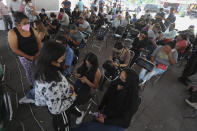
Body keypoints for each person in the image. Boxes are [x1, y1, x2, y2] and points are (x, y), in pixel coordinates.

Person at [71, 68, 141, 131]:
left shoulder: (134, 99)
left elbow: (124, 120)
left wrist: (105, 121)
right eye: (120, 76)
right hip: (107, 113)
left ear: (129, 83)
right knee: (87, 125)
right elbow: (106, 97)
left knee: (87, 128)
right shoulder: (116, 83)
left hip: (116, 124)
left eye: (122, 79)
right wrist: (99, 109)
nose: (119, 79)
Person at [34, 40, 77, 131]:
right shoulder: (51, 85)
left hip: (57, 98)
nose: (64, 58)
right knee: (64, 125)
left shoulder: (45, 65)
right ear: (53, 57)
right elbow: (56, 110)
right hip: (60, 110)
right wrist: (72, 97)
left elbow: (59, 77)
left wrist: (67, 85)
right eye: (62, 56)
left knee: (57, 121)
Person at [8, 12, 41, 93]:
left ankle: (40, 84)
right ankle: (32, 86)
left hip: (36, 54)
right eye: (25, 23)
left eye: (28, 22)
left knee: (39, 69)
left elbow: (38, 42)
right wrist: (28, 57)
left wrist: (39, 52)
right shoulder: (12, 33)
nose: (28, 25)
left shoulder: (31, 29)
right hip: (25, 57)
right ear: (17, 24)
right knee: (30, 71)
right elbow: (15, 49)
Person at [74, 53, 101, 121]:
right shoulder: (84, 63)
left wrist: (86, 81)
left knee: (75, 99)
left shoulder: (97, 72)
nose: (87, 65)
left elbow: (95, 87)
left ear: (93, 63)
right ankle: (73, 107)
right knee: (71, 95)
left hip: (86, 89)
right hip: (78, 84)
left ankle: (79, 112)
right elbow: (76, 70)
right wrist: (77, 75)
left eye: (89, 64)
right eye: (86, 63)